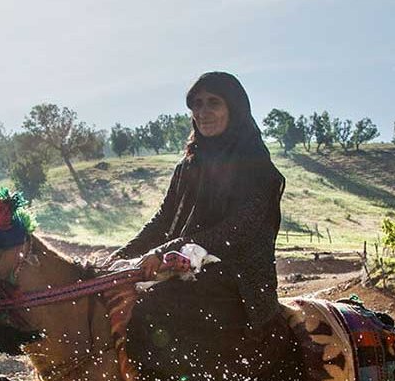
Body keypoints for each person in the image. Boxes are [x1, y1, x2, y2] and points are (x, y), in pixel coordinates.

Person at [110, 70, 286, 339]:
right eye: (197, 104)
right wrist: (118, 258)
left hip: (239, 283)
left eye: (213, 102)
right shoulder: (188, 167)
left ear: (234, 109)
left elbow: (234, 233)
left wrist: (163, 250)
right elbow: (162, 221)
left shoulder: (260, 170)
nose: (202, 111)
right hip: (182, 269)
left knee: (150, 307)